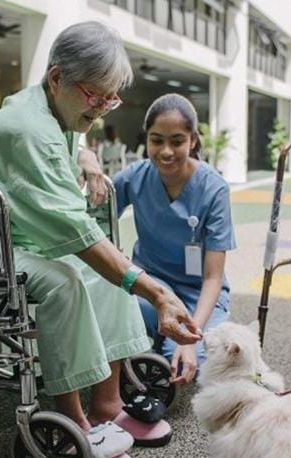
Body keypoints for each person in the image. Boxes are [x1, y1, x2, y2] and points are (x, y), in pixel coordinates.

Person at [0, 21, 201, 458]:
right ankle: (74, 419)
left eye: (110, 98)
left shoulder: (57, 109)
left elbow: (72, 151)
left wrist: (84, 155)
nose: (102, 109)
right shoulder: (31, 128)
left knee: (108, 277)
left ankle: (108, 404)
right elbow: (77, 232)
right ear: (57, 78)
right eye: (95, 96)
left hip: (2, 231)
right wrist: (157, 293)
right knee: (67, 278)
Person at [113, 93, 236, 385]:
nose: (166, 151)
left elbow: (212, 277)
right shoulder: (132, 177)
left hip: (198, 295)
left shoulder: (214, 189)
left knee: (195, 363)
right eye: (157, 140)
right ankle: (151, 338)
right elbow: (91, 219)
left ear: (193, 140)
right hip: (150, 285)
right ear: (147, 139)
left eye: (177, 141)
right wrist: (87, 161)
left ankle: (160, 340)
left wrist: (190, 339)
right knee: (116, 317)